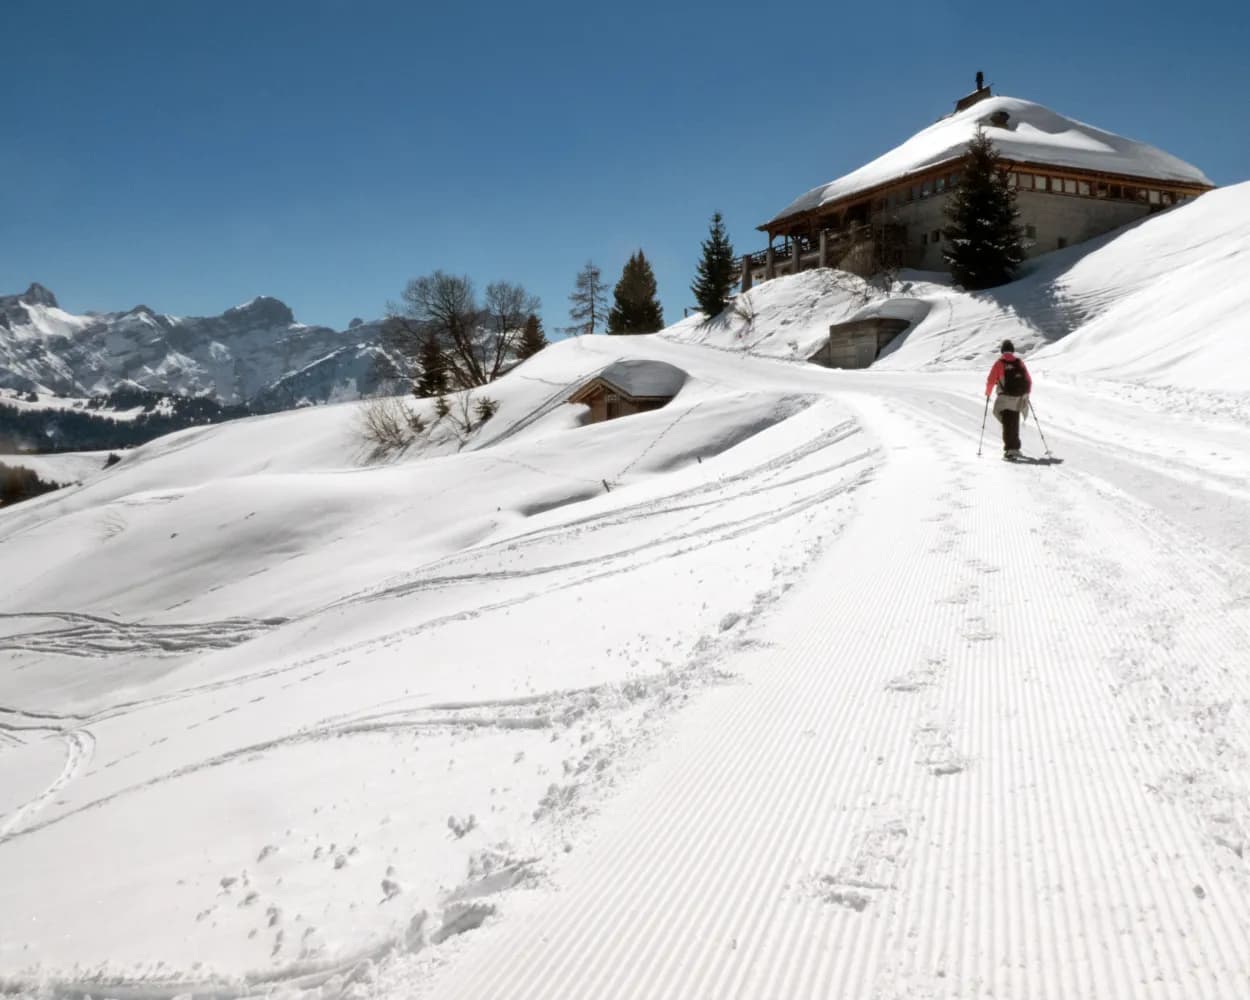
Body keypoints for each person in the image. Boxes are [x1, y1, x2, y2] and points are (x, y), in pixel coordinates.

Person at [985, 339, 1032, 458]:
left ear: (1002, 351)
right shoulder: (1019, 362)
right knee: (1014, 422)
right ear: (1012, 350)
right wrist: (1026, 393)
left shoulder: (999, 363)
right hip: (1018, 398)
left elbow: (991, 380)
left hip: (1005, 399)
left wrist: (988, 393)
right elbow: (1028, 380)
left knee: (1006, 423)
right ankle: (1015, 447)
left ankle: (1010, 450)